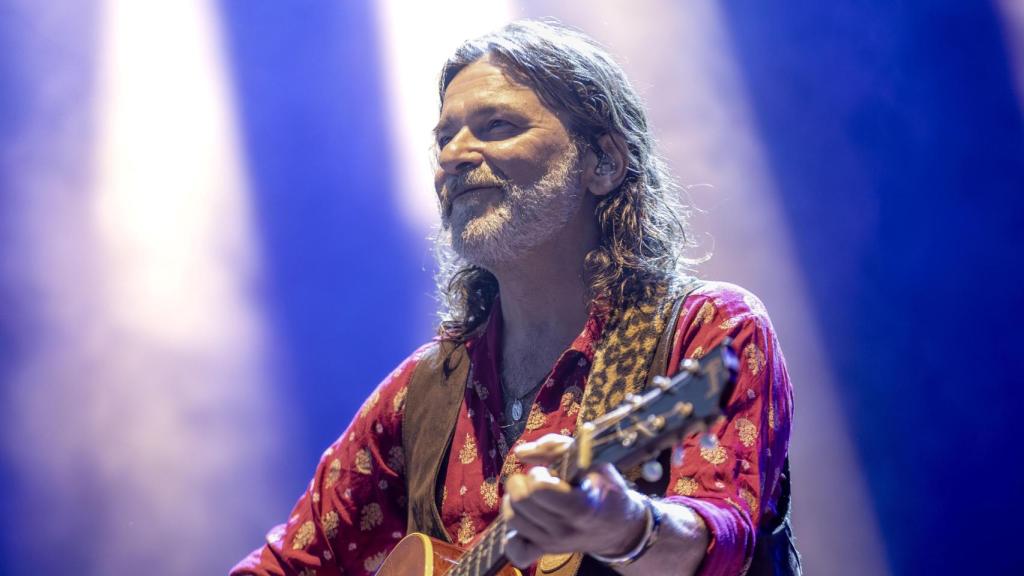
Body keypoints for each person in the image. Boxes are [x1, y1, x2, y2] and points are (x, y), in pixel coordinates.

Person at [232, 20, 796, 576]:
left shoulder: (710, 328)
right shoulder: (422, 392)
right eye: (444, 138)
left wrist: (626, 527)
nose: (453, 155)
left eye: (496, 125)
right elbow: (282, 565)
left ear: (603, 162)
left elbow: (723, 537)